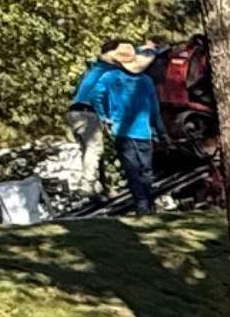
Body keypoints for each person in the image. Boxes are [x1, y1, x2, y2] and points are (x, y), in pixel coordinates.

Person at [108, 42, 164, 214]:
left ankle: (141, 204)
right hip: (143, 132)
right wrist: (161, 131)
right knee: (145, 170)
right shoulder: (146, 82)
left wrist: (108, 120)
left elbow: (107, 104)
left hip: (122, 132)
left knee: (132, 171)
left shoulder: (112, 80)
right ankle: (148, 202)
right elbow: (154, 109)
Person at [67, 42, 128, 189]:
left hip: (74, 112)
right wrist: (104, 117)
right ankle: (87, 185)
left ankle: (98, 187)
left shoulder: (93, 69)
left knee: (87, 150)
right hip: (88, 112)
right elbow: (98, 96)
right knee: (95, 149)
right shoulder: (107, 70)